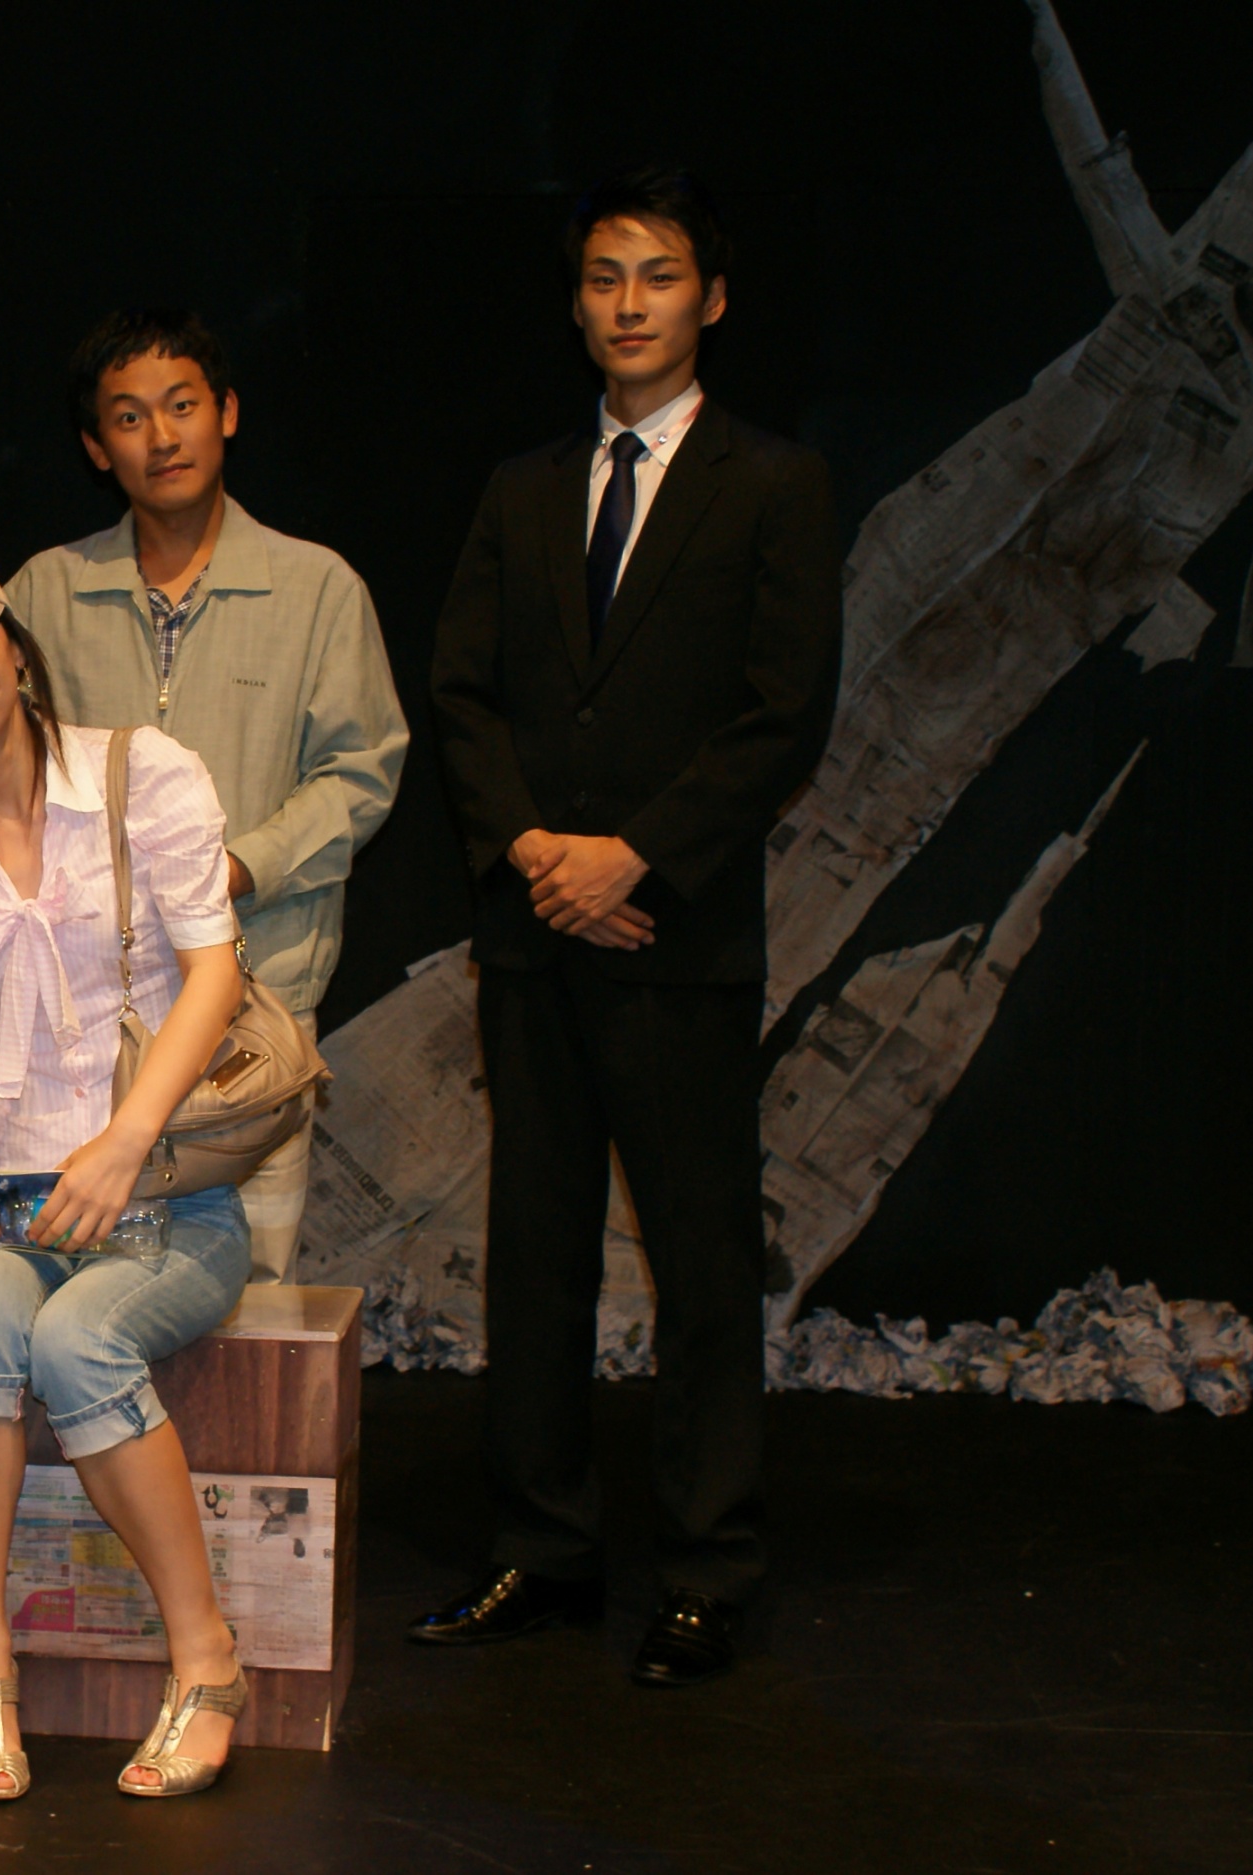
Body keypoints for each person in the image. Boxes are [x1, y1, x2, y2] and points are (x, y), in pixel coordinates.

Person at [415, 164, 841, 1686]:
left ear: (710, 299)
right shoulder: (525, 487)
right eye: (603, 278)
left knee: (702, 1266)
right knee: (533, 1258)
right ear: (577, 304)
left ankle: (708, 1567)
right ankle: (542, 1549)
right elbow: (461, 690)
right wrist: (537, 851)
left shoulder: (773, 482)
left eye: (657, 276)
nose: (628, 303)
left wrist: (635, 858)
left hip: (678, 937)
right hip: (536, 933)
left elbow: (783, 714)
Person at [0, 539, 255, 1801]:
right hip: (1, 1202)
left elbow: (216, 973)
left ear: (14, 648)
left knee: (82, 1342)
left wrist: (123, 1142)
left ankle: (208, 1661)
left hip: (170, 1193)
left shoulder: (145, 772)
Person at [7, 310, 407, 1284]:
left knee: (248, 1299)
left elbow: (360, 773)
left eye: (181, 405)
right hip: (80, 1020)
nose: (161, 436)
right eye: (129, 417)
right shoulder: (43, 595)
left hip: (254, 1012)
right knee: (71, 1291)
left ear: (226, 412)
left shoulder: (317, 589)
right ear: (97, 447)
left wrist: (235, 869)